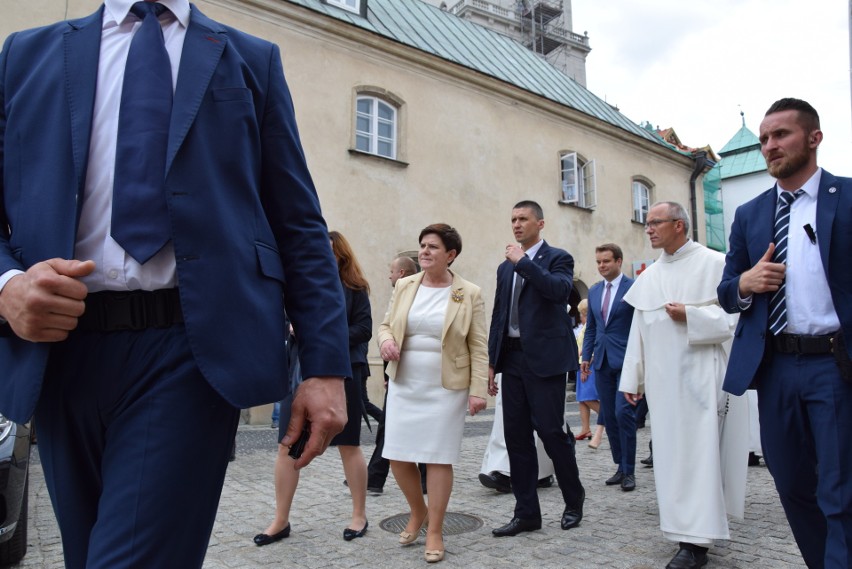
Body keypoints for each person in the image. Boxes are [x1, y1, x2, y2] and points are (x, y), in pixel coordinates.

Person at [0, 2, 352, 567]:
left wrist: (326, 367)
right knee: (85, 554)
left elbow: (297, 221)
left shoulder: (250, 59)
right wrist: (7, 284)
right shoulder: (26, 53)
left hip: (188, 349)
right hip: (59, 350)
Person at [718, 98, 852, 569]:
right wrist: (745, 285)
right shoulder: (751, 214)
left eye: (781, 135)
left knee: (840, 492)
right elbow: (725, 289)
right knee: (792, 485)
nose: (770, 146)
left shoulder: (848, 197)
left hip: (833, 365)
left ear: (813, 137)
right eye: (764, 139)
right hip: (773, 368)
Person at [620, 201, 748, 569]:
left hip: (701, 377)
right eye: (647, 224)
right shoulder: (650, 276)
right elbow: (639, 332)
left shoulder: (715, 264)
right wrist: (634, 378)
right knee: (672, 457)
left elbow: (735, 320)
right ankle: (680, 529)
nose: (648, 229)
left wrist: (690, 315)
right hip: (662, 383)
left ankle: (696, 543)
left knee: (699, 455)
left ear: (679, 224)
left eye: (655, 222)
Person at [378, 223, 488, 564]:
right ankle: (418, 511)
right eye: (422, 245)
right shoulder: (406, 285)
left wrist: (478, 389)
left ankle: (436, 530)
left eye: (433, 247)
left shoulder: (468, 292)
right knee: (397, 454)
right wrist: (386, 341)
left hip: (445, 386)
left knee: (438, 457)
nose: (424, 251)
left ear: (450, 255)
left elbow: (478, 345)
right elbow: (385, 324)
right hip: (404, 382)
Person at [255, 231, 371, 546]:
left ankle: (359, 514)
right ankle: (280, 520)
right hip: (299, 372)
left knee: (349, 445)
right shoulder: (301, 289)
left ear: (340, 256)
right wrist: (293, 328)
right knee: (286, 445)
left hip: (345, 373)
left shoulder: (354, 288)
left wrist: (322, 337)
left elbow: (364, 329)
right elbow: (277, 320)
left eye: (328, 252)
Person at [488, 200, 585, 537]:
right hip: (512, 358)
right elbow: (499, 315)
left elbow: (559, 293)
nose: (516, 224)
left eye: (523, 219)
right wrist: (491, 363)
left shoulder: (558, 257)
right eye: (513, 219)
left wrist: (524, 263)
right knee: (515, 438)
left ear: (540, 224)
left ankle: (574, 500)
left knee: (551, 433)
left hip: (545, 360)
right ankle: (526, 512)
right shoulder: (504, 267)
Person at [580, 243, 637, 490]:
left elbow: (640, 325)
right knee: (610, 415)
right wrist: (586, 356)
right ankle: (619, 466)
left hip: (627, 360)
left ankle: (630, 471)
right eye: (599, 262)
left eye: (606, 261)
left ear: (619, 261)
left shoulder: (634, 288)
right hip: (601, 361)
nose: (602, 266)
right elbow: (591, 327)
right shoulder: (593, 291)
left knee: (624, 413)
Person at [366, 255, 424, 495]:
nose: (389, 275)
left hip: (417, 371)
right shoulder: (402, 292)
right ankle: (374, 478)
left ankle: (374, 478)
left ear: (401, 273)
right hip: (398, 369)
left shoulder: (416, 292)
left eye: (391, 271)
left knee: (405, 426)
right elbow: (388, 329)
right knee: (391, 425)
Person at [478, 371, 556, 493]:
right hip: (509, 361)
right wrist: (493, 365)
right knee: (504, 414)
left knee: (542, 413)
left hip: (544, 361)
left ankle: (543, 472)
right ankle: (502, 470)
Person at [573, 300, 605, 449]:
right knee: (581, 399)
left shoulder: (590, 327)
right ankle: (585, 429)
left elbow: (592, 347)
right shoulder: (584, 327)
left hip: (587, 366)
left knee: (588, 398)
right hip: (580, 364)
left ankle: (610, 419)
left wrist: (587, 363)